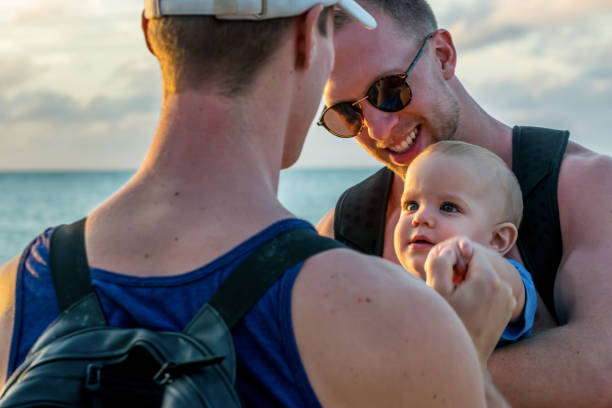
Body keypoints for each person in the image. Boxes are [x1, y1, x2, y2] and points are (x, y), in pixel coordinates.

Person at [0, 0, 514, 406]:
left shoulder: (15, 290)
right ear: (307, 39)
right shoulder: (390, 315)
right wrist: (466, 354)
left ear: (151, 35)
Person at [316, 0, 612, 406]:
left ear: (443, 56)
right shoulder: (346, 228)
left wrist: (385, 382)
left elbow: (600, 372)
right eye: (348, 114)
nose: (379, 129)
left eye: (388, 90)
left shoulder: (586, 187)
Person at [394, 140, 537, 346]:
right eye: (412, 205)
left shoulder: (493, 282)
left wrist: (474, 256)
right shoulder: (399, 290)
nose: (420, 217)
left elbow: (508, 287)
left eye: (449, 207)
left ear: (496, 240)